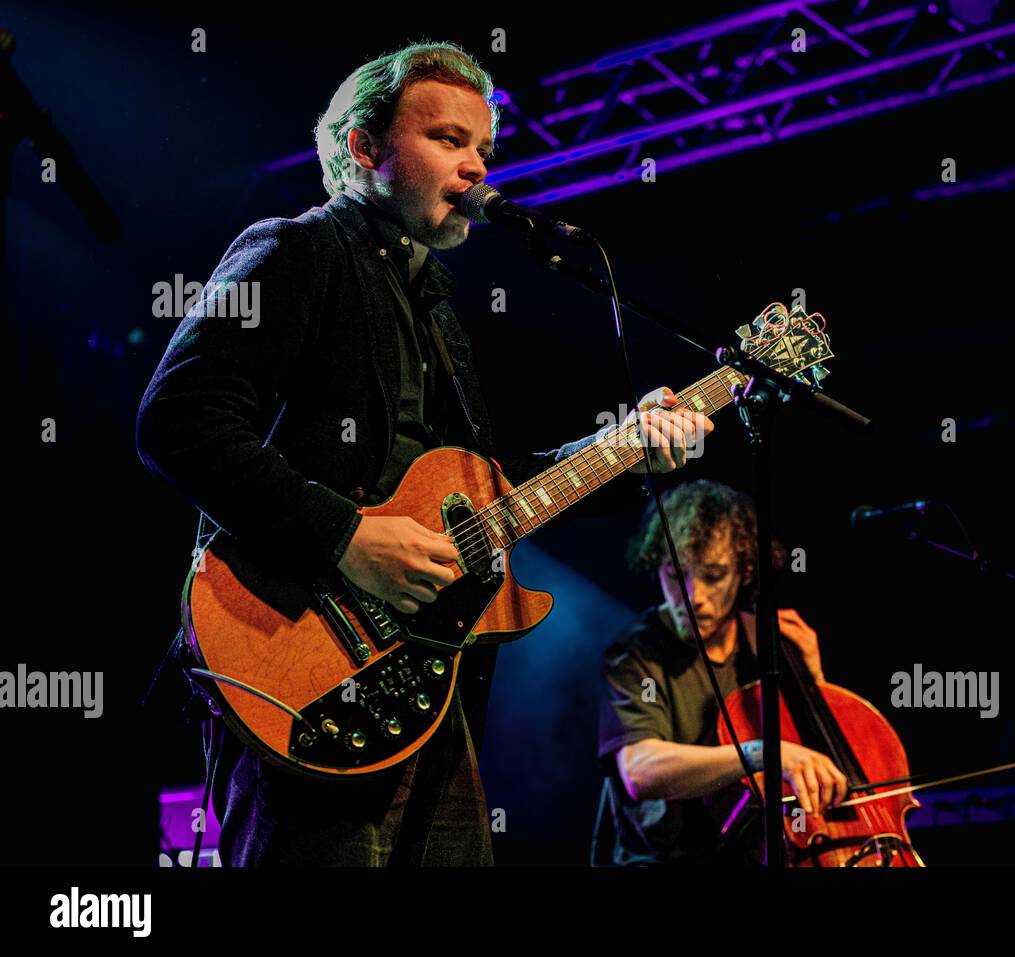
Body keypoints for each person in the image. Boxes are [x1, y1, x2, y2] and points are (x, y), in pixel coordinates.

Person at [137, 41, 713, 866]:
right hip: (302, 671)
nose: (478, 166)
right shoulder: (297, 250)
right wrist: (347, 537)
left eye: (484, 148)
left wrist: (627, 453)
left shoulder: (434, 307)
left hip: (427, 695)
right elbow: (177, 422)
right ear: (364, 149)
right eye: (448, 139)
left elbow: (490, 497)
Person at [593, 480, 846, 865]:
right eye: (677, 575)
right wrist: (761, 753)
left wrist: (816, 682)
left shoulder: (768, 640)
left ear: (745, 571)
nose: (694, 596)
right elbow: (639, 771)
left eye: (712, 575)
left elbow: (820, 760)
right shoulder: (633, 654)